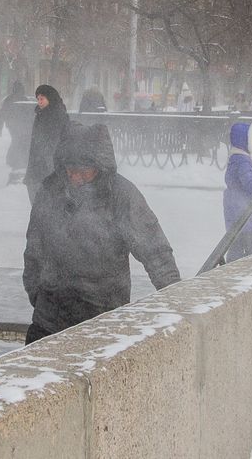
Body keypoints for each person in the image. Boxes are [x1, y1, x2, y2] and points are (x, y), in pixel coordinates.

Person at [23, 122, 181, 344]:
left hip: (103, 320)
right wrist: (38, 295)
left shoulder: (120, 195)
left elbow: (154, 250)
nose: (76, 177)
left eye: (84, 171)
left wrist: (175, 297)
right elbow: (34, 249)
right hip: (49, 321)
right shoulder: (50, 191)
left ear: (100, 166)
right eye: (71, 170)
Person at [223, 122, 252, 262]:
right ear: (245, 142)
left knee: (236, 245)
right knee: (251, 246)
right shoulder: (243, 162)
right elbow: (248, 183)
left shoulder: (237, 159)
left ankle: (231, 270)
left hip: (237, 210)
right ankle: (247, 272)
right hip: (244, 213)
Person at [24, 84, 69, 204]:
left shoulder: (57, 115)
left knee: (47, 201)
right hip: (37, 164)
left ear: (50, 98)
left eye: (42, 99)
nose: (39, 102)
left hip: (49, 164)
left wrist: (49, 160)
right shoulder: (41, 114)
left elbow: (56, 140)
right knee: (36, 196)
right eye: (38, 99)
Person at [0, 80, 32, 183]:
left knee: (16, 140)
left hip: (12, 125)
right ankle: (14, 159)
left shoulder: (9, 99)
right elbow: (29, 114)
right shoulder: (24, 99)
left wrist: (0, 126)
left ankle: (13, 159)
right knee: (17, 141)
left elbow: (2, 113)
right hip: (20, 125)